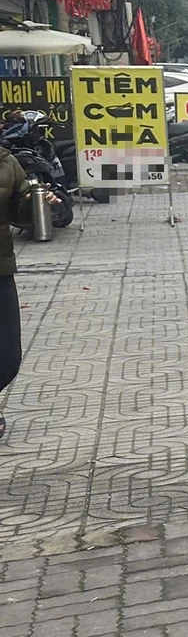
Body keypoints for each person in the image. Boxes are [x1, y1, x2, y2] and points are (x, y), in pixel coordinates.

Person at [0, 146, 57, 438]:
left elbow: (19, 213)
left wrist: (36, 202)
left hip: (0, 268)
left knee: (8, 353)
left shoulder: (7, 162)